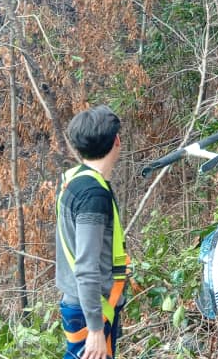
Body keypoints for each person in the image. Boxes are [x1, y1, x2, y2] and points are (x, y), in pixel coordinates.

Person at [56, 105, 131, 358]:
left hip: (80, 303)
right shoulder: (93, 195)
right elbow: (86, 266)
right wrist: (96, 329)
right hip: (90, 309)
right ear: (117, 141)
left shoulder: (74, 180)